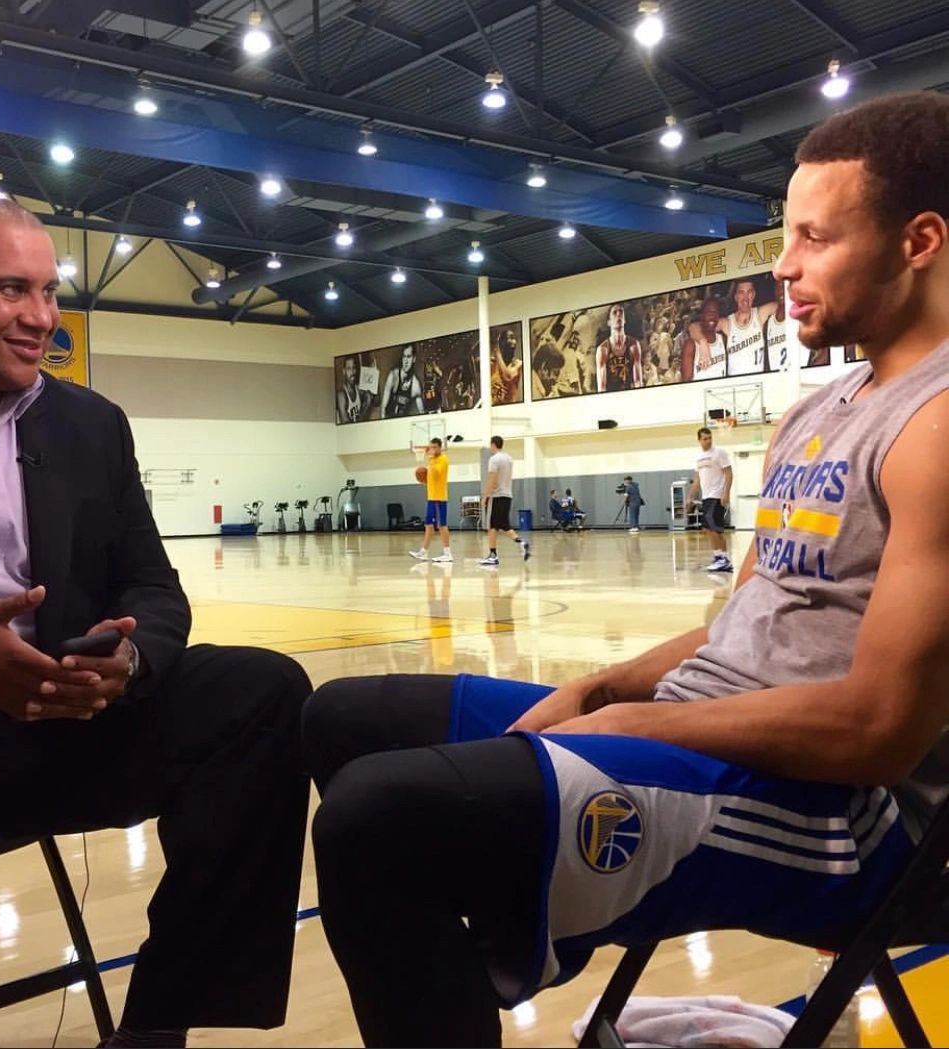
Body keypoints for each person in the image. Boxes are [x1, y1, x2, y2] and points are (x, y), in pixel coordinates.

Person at [301, 90, 949, 1048]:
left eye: (815, 237)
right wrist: (596, 682)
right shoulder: (817, 410)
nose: (782, 264)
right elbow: (738, 627)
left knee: (377, 820)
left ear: (918, 241)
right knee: (343, 717)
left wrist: (637, 717)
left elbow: (876, 731)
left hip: (838, 818)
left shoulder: (936, 424)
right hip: (706, 736)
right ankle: (456, 965)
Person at [0, 194, 312, 1048]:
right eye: (12, 290)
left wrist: (125, 661)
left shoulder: (92, 423)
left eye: (50, 292)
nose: (41, 318)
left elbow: (157, 590)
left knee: (261, 691)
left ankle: (158, 1024)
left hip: (63, 729)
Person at [687, 426, 734, 572]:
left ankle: (724, 559)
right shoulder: (698, 457)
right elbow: (697, 480)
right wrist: (690, 497)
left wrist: (726, 493)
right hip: (706, 496)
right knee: (708, 528)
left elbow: (729, 473)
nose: (708, 441)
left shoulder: (719, 453)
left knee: (715, 529)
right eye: (705, 439)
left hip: (717, 494)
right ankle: (718, 556)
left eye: (710, 438)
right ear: (699, 440)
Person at [478, 436, 530, 567]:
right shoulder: (508, 458)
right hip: (507, 495)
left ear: (493, 444)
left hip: (496, 496)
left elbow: (492, 479)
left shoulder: (494, 459)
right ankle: (522, 543)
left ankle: (493, 555)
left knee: (491, 527)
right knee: (504, 525)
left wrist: (485, 496)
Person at [409, 437, 452, 563]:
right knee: (428, 525)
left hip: (439, 498)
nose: (432, 449)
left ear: (440, 447)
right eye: (431, 447)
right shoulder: (432, 460)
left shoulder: (442, 459)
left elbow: (437, 472)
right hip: (431, 497)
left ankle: (447, 553)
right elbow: (432, 477)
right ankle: (424, 552)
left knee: (442, 525)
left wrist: (431, 457)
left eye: (434, 447)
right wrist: (424, 480)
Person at [596, 303, 643, 391]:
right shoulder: (603, 350)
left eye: (621, 312)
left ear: (624, 320)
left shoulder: (634, 345)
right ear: (609, 322)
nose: (618, 314)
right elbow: (601, 387)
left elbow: (638, 381)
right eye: (614, 312)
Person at [682, 297, 728, 382]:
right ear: (702, 315)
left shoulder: (723, 340)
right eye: (708, 312)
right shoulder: (691, 344)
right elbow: (686, 380)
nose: (712, 315)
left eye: (715, 312)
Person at [382, 344, 423, 417]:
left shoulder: (416, 386)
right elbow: (383, 409)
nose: (406, 361)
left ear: (414, 359)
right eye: (404, 356)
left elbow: (422, 412)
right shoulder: (393, 376)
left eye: (409, 357)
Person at [336, 354, 375, 423]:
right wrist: (364, 409)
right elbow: (345, 423)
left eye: (353, 368)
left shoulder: (358, 389)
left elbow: (372, 399)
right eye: (348, 369)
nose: (352, 372)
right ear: (344, 371)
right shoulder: (341, 395)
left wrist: (369, 399)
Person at [491, 328, 524, 405]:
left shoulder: (518, 364)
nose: (513, 341)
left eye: (513, 338)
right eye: (510, 338)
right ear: (501, 343)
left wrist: (497, 353)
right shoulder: (494, 363)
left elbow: (508, 376)